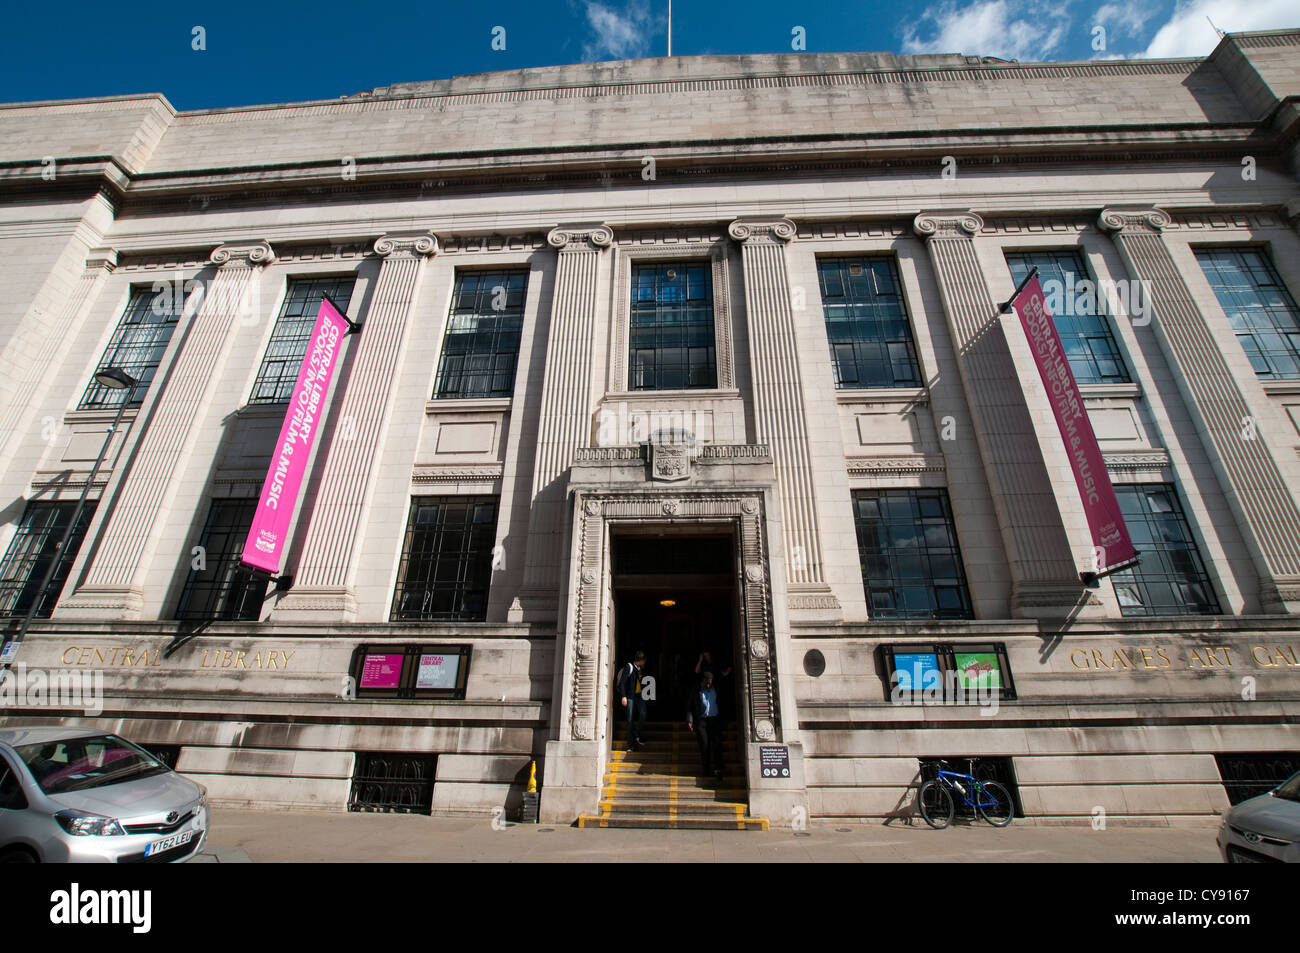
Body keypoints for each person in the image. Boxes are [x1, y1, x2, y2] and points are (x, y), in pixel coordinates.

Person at [686, 669, 724, 781]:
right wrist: (690, 720)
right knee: (704, 745)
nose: (708, 684)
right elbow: (690, 706)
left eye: (710, 682)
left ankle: (718, 769)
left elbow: (721, 702)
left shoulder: (716, 688)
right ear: (703, 680)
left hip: (714, 720)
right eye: (707, 682)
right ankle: (706, 769)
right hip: (701, 721)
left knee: (717, 744)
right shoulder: (696, 690)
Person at [616, 650, 648, 751]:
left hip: (639, 696)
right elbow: (622, 683)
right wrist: (623, 696)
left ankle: (636, 733)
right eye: (644, 661)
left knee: (643, 713)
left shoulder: (640, 669)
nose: (644, 663)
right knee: (630, 720)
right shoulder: (629, 667)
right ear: (641, 660)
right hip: (630, 696)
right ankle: (631, 745)